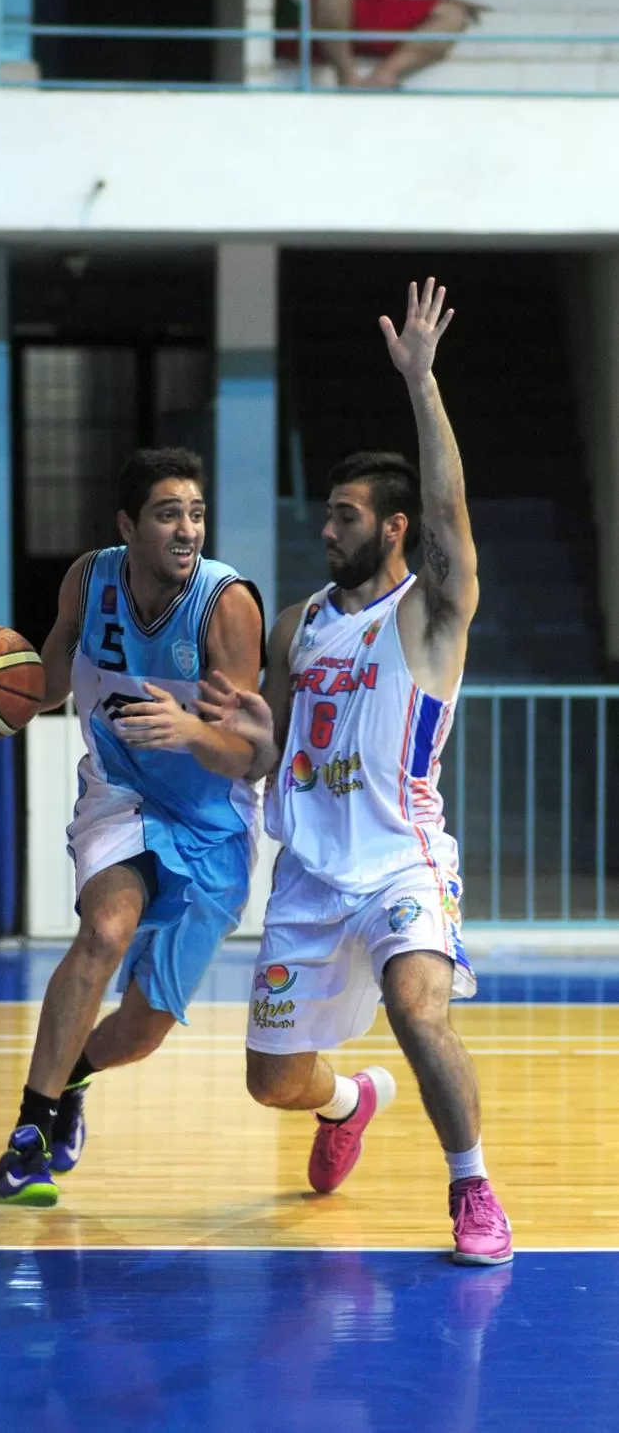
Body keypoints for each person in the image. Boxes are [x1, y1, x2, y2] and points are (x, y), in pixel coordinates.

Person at [199, 280, 512, 1266]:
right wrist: (246, 735)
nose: (323, 529)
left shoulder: (426, 613)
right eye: (326, 514)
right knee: (269, 1079)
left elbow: (453, 507)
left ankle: (471, 1186)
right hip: (306, 875)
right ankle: (349, 1099)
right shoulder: (297, 627)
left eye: (343, 515)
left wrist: (421, 382)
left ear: (391, 528)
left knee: (420, 1009)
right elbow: (270, 753)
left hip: (399, 862)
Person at [0, 447, 266, 1205]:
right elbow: (37, 685)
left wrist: (190, 731)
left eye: (196, 513)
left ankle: (72, 1074)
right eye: (169, 513)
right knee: (104, 932)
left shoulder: (227, 604)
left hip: (212, 819)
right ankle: (30, 1133)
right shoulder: (89, 578)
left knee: (140, 1033)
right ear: (127, 526)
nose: (187, 530)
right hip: (119, 792)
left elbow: (249, 756)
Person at [309, 0, 486, 89]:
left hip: (377, 10)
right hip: (315, 17)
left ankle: (383, 77)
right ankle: (347, 77)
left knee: (452, 14)